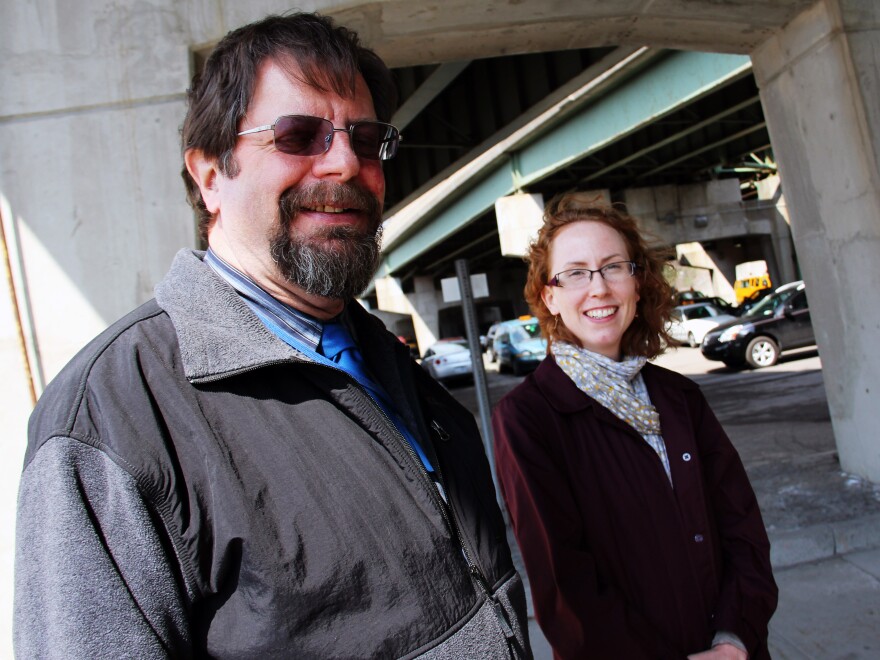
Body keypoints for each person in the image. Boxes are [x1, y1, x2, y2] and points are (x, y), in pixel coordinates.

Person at [14, 13, 529, 658]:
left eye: (365, 140)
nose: (344, 164)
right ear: (209, 176)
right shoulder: (111, 419)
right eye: (299, 135)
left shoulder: (386, 362)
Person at [492, 192, 777, 659]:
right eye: (576, 273)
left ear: (637, 284)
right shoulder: (527, 419)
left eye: (613, 267)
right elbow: (564, 589)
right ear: (550, 295)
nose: (599, 288)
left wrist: (734, 638)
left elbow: (742, 528)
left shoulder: (678, 396)